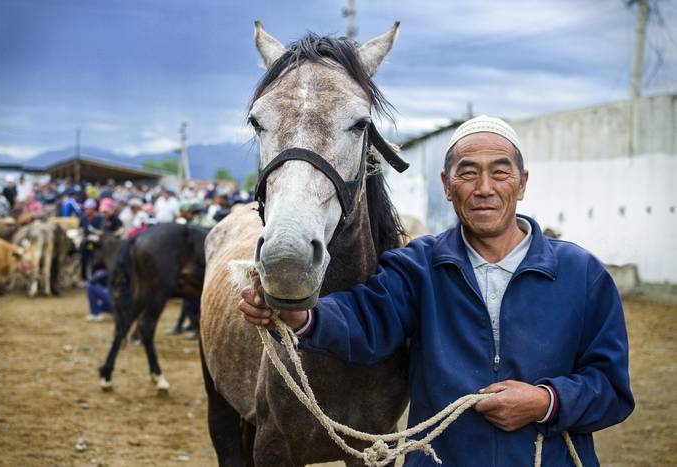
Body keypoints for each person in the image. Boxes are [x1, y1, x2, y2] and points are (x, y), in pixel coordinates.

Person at [239, 116, 634, 466]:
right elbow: (364, 317)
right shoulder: (419, 267)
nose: (484, 188)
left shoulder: (582, 275)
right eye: (467, 173)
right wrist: (299, 315)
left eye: (500, 172)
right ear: (447, 185)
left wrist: (546, 403)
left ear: (522, 183)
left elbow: (612, 390)